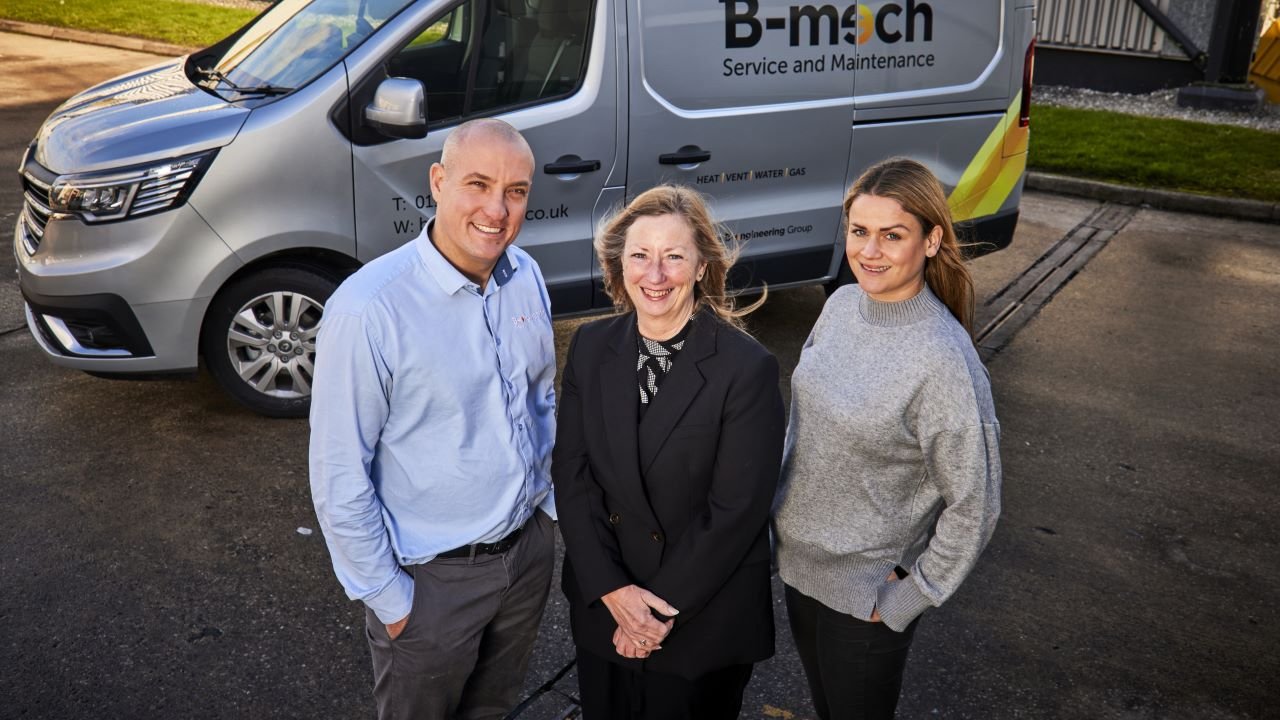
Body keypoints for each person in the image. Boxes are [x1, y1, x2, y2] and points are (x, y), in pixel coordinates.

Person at [308, 118, 556, 720]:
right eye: (478, 184)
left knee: (493, 710)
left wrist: (547, 518)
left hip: (525, 559)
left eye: (516, 191)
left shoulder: (525, 275)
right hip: (432, 584)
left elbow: (542, 402)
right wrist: (392, 602)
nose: (497, 209)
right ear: (438, 183)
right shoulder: (369, 310)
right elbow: (340, 473)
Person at [772, 157, 1002, 719]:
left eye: (891, 235)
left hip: (867, 596)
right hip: (799, 570)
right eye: (859, 232)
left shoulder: (942, 360)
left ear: (930, 241)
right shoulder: (841, 306)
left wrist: (913, 594)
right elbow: (803, 430)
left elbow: (976, 501)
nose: (869, 251)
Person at [553, 185, 785, 719]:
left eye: (674, 256)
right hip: (605, 608)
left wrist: (650, 614)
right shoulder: (591, 347)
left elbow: (735, 512)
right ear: (620, 263)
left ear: (702, 265)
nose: (654, 275)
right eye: (640, 255)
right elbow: (572, 474)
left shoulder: (745, 369)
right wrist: (613, 591)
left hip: (698, 618)